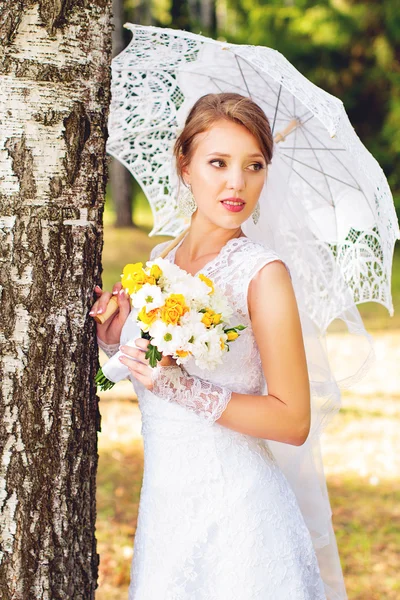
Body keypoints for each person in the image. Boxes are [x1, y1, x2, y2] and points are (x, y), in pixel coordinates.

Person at [90, 93, 333, 599]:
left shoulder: (262, 274)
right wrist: (116, 339)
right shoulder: (161, 262)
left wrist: (184, 389)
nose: (236, 183)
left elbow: (293, 421)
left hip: (241, 520)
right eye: (218, 162)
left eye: (254, 165)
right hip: (166, 515)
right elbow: (152, 368)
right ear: (185, 163)